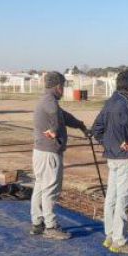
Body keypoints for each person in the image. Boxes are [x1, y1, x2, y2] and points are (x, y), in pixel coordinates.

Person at [31, 71, 89, 240]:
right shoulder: (50, 102)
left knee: (40, 187)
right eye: (63, 86)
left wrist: (80, 125)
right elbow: (55, 115)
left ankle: (37, 222)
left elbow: (64, 116)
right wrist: (54, 130)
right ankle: (51, 226)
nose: (63, 90)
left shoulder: (46, 100)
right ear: (57, 86)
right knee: (50, 189)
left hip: (40, 152)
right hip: (49, 153)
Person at [91, 70, 128, 254]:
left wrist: (109, 144)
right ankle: (119, 240)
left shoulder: (110, 102)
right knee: (123, 198)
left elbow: (96, 129)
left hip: (112, 157)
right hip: (124, 158)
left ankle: (110, 234)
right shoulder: (125, 104)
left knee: (111, 197)